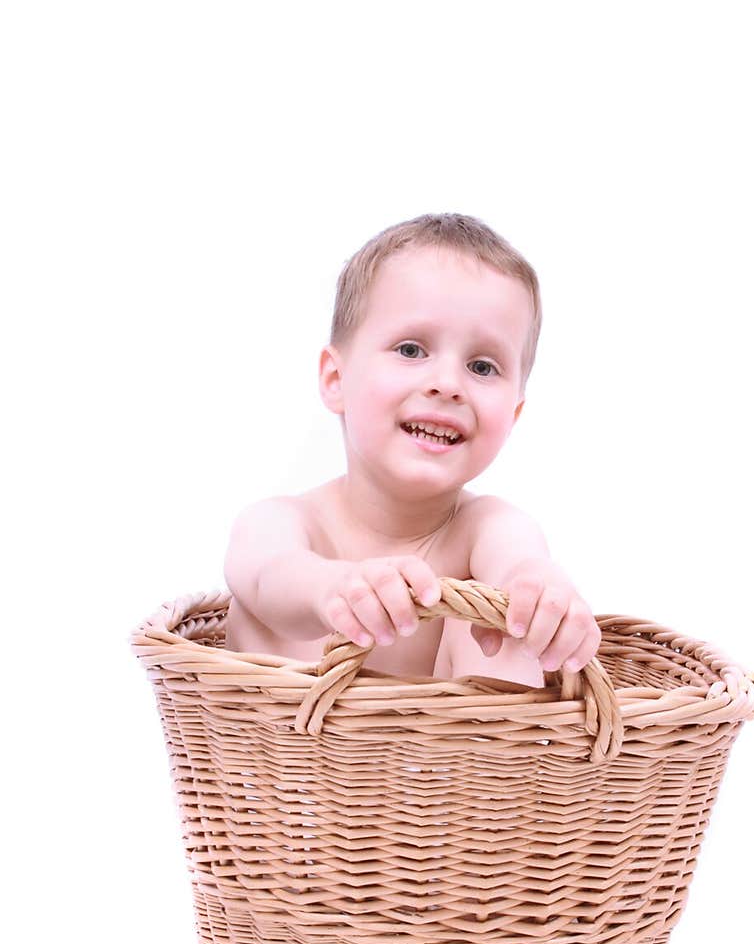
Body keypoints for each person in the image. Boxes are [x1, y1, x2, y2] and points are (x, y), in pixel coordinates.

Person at [223, 212, 601, 686]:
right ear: (336, 380)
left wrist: (545, 596)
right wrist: (333, 589)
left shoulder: (488, 527)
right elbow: (267, 575)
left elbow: (520, 559)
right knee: (270, 602)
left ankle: (494, 751)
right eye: (411, 350)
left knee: (500, 617)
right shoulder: (281, 521)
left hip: (454, 759)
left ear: (514, 415)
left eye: (482, 367)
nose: (447, 384)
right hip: (279, 754)